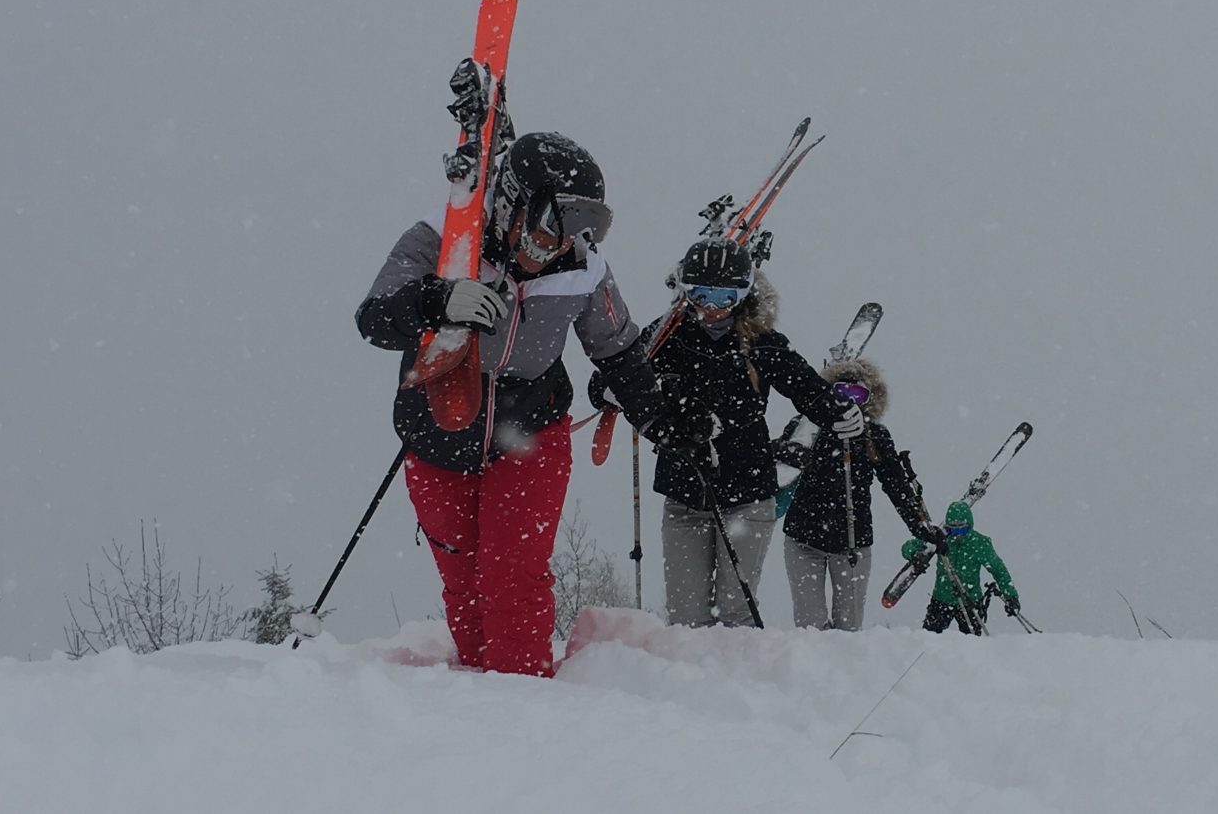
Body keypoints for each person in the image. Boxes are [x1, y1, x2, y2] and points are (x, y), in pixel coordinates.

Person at [356, 131, 704, 676]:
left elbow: (617, 348)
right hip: (440, 421)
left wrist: (659, 418)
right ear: (513, 201)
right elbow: (373, 318)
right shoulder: (444, 239)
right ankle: (477, 691)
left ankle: (522, 694)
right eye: (551, 225)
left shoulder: (582, 267)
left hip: (531, 428)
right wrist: (437, 299)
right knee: (461, 572)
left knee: (512, 572)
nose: (560, 244)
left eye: (581, 227)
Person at [596, 238, 863, 627]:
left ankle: (736, 684)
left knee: (735, 611)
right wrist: (609, 390)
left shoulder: (761, 342)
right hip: (684, 491)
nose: (712, 307)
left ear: (744, 295)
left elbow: (805, 386)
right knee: (687, 616)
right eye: (701, 294)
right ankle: (690, 684)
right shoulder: (667, 337)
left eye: (725, 296)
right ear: (686, 293)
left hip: (747, 494)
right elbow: (616, 371)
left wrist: (838, 411)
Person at [780, 357, 946, 630]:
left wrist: (920, 526)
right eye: (842, 392)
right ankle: (813, 671)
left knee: (849, 628)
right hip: (803, 538)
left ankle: (844, 672)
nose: (849, 401)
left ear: (870, 398)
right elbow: (779, 463)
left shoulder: (875, 436)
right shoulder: (809, 428)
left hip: (853, 543)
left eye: (858, 394)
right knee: (809, 627)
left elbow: (895, 483)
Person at [901, 500, 1018, 634]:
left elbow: (998, 570)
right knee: (929, 640)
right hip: (942, 599)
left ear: (969, 525)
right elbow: (907, 547)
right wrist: (915, 555)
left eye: (961, 529)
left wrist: (1011, 596)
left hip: (970, 601)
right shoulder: (938, 537)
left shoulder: (980, 544)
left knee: (971, 645)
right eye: (953, 529)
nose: (957, 534)